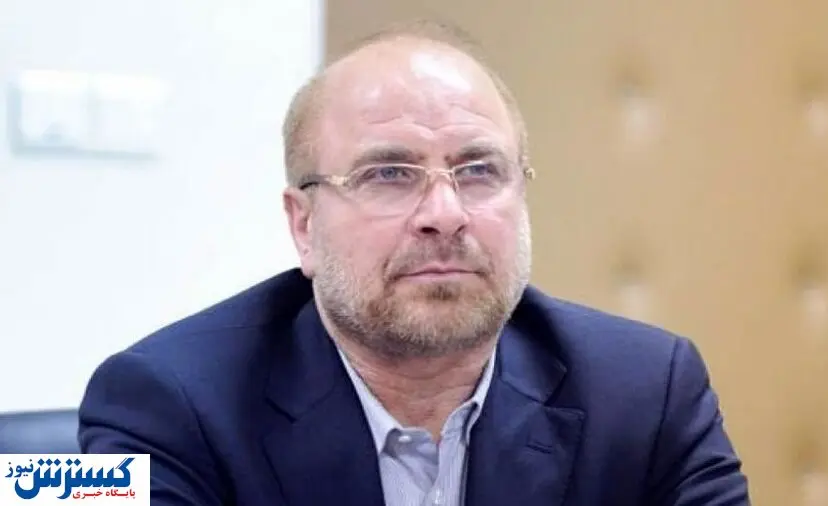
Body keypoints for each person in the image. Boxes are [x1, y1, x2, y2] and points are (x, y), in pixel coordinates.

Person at [78, 19, 750, 506]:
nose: (445, 213)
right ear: (303, 225)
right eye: (389, 174)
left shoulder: (648, 390)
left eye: (479, 170)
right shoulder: (156, 401)